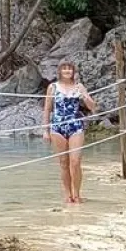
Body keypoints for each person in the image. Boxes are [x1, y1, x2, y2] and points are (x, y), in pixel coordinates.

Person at [42, 60, 96, 204]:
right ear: (59, 71)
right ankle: (68, 195)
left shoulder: (79, 86)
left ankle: (77, 194)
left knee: (75, 161)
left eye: (70, 69)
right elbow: (47, 109)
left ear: (73, 71)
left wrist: (84, 96)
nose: (67, 71)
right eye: (64, 69)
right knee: (63, 163)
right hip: (57, 127)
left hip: (75, 125)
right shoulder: (52, 87)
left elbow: (92, 106)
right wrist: (46, 130)